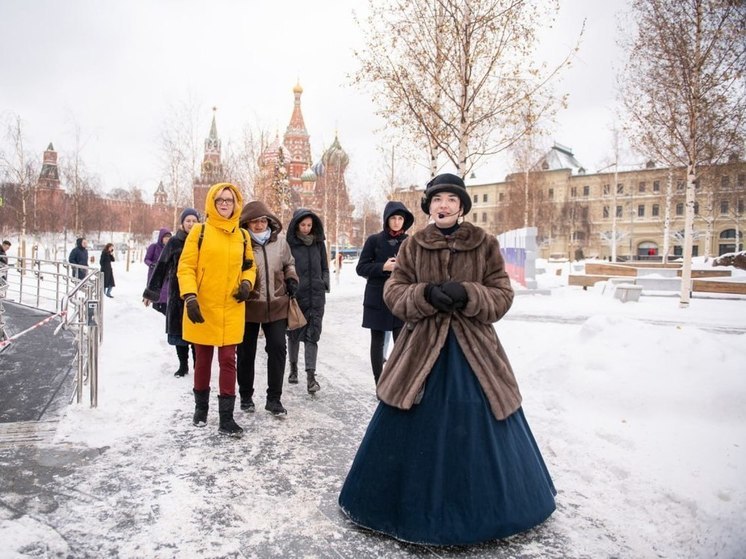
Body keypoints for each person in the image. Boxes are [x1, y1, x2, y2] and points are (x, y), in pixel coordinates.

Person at [338, 173, 556, 546]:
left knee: (481, 417)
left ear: (461, 207)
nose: (444, 206)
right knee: (408, 414)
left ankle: (487, 509)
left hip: (476, 351)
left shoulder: (484, 244)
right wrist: (425, 296)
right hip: (421, 348)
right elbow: (394, 292)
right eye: (437, 200)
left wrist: (468, 294)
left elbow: (502, 295)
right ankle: (400, 506)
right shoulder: (413, 246)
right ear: (428, 207)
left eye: (451, 200)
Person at [177, 183, 256, 438]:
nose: (224, 204)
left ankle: (226, 418)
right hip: (203, 306)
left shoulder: (242, 236)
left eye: (229, 200)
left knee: (228, 360)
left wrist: (246, 284)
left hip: (231, 307)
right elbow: (186, 266)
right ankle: (200, 410)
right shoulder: (199, 232)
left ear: (236, 204)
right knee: (202, 360)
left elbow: (249, 266)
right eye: (220, 199)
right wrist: (189, 297)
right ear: (212, 201)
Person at [236, 201, 299, 416]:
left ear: (269, 221)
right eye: (254, 222)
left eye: (263, 221)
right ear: (246, 223)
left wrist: (291, 278)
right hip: (249, 306)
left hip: (277, 304)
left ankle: (274, 399)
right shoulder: (240, 243)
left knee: (277, 349)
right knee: (246, 352)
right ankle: (245, 396)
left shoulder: (280, 243)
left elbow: (289, 263)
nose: (260, 225)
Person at [356, 201, 414, 385]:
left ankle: (401, 383)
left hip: (400, 299)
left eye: (400, 218)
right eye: (393, 218)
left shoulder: (410, 242)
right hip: (377, 298)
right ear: (386, 220)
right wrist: (383, 266)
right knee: (378, 342)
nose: (397, 222)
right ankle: (379, 382)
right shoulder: (374, 240)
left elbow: (418, 269)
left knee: (402, 343)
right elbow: (361, 267)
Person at [143, 208, 200, 378]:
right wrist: (151, 292)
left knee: (198, 333)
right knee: (179, 332)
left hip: (198, 292)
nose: (191, 224)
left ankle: (199, 365)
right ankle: (183, 365)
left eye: (194, 220)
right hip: (177, 293)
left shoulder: (202, 240)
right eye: (188, 220)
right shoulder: (174, 242)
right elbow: (162, 266)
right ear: (182, 223)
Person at [285, 208, 329, 394]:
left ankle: (311, 377)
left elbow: (325, 267)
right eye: (303, 224)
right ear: (296, 225)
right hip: (297, 296)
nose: (306, 228)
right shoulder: (290, 245)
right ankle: (293, 368)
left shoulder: (319, 244)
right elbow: (285, 267)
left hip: (316, 297)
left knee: (313, 335)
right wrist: (290, 287)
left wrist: (324, 282)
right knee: (294, 333)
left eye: (309, 225)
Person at [144, 228, 172, 314]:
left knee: (165, 296)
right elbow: (146, 259)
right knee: (155, 294)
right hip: (155, 274)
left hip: (166, 276)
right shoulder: (154, 247)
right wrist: (152, 265)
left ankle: (163, 313)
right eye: (165, 237)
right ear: (161, 238)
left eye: (169, 237)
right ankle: (154, 313)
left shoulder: (171, 248)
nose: (167, 239)